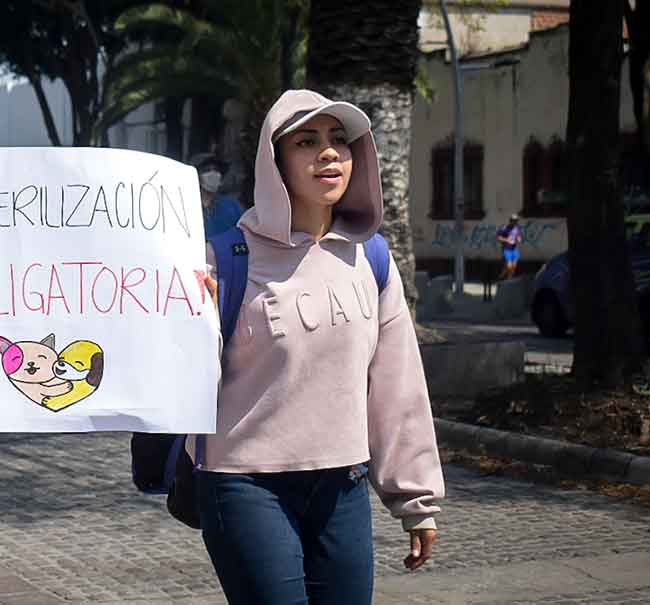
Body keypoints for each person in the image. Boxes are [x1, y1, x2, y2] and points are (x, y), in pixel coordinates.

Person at [197, 90, 444, 604]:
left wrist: (416, 500)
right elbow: (183, 382)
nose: (328, 153)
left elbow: (397, 387)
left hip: (343, 486)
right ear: (275, 164)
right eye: (307, 142)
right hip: (245, 483)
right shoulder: (223, 260)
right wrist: (194, 324)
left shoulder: (372, 257)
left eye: (339, 140)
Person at [193, 154, 245, 239]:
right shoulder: (187, 206)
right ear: (197, 176)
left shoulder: (232, 206)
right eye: (207, 170)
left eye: (216, 170)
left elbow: (245, 233)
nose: (213, 173)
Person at [496, 213, 523, 280]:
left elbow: (519, 236)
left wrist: (519, 239)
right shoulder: (504, 228)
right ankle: (506, 277)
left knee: (514, 266)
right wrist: (506, 240)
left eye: (516, 221)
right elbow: (498, 237)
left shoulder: (517, 228)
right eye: (514, 220)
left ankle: (507, 277)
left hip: (514, 249)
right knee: (509, 266)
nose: (515, 222)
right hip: (507, 249)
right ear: (510, 221)